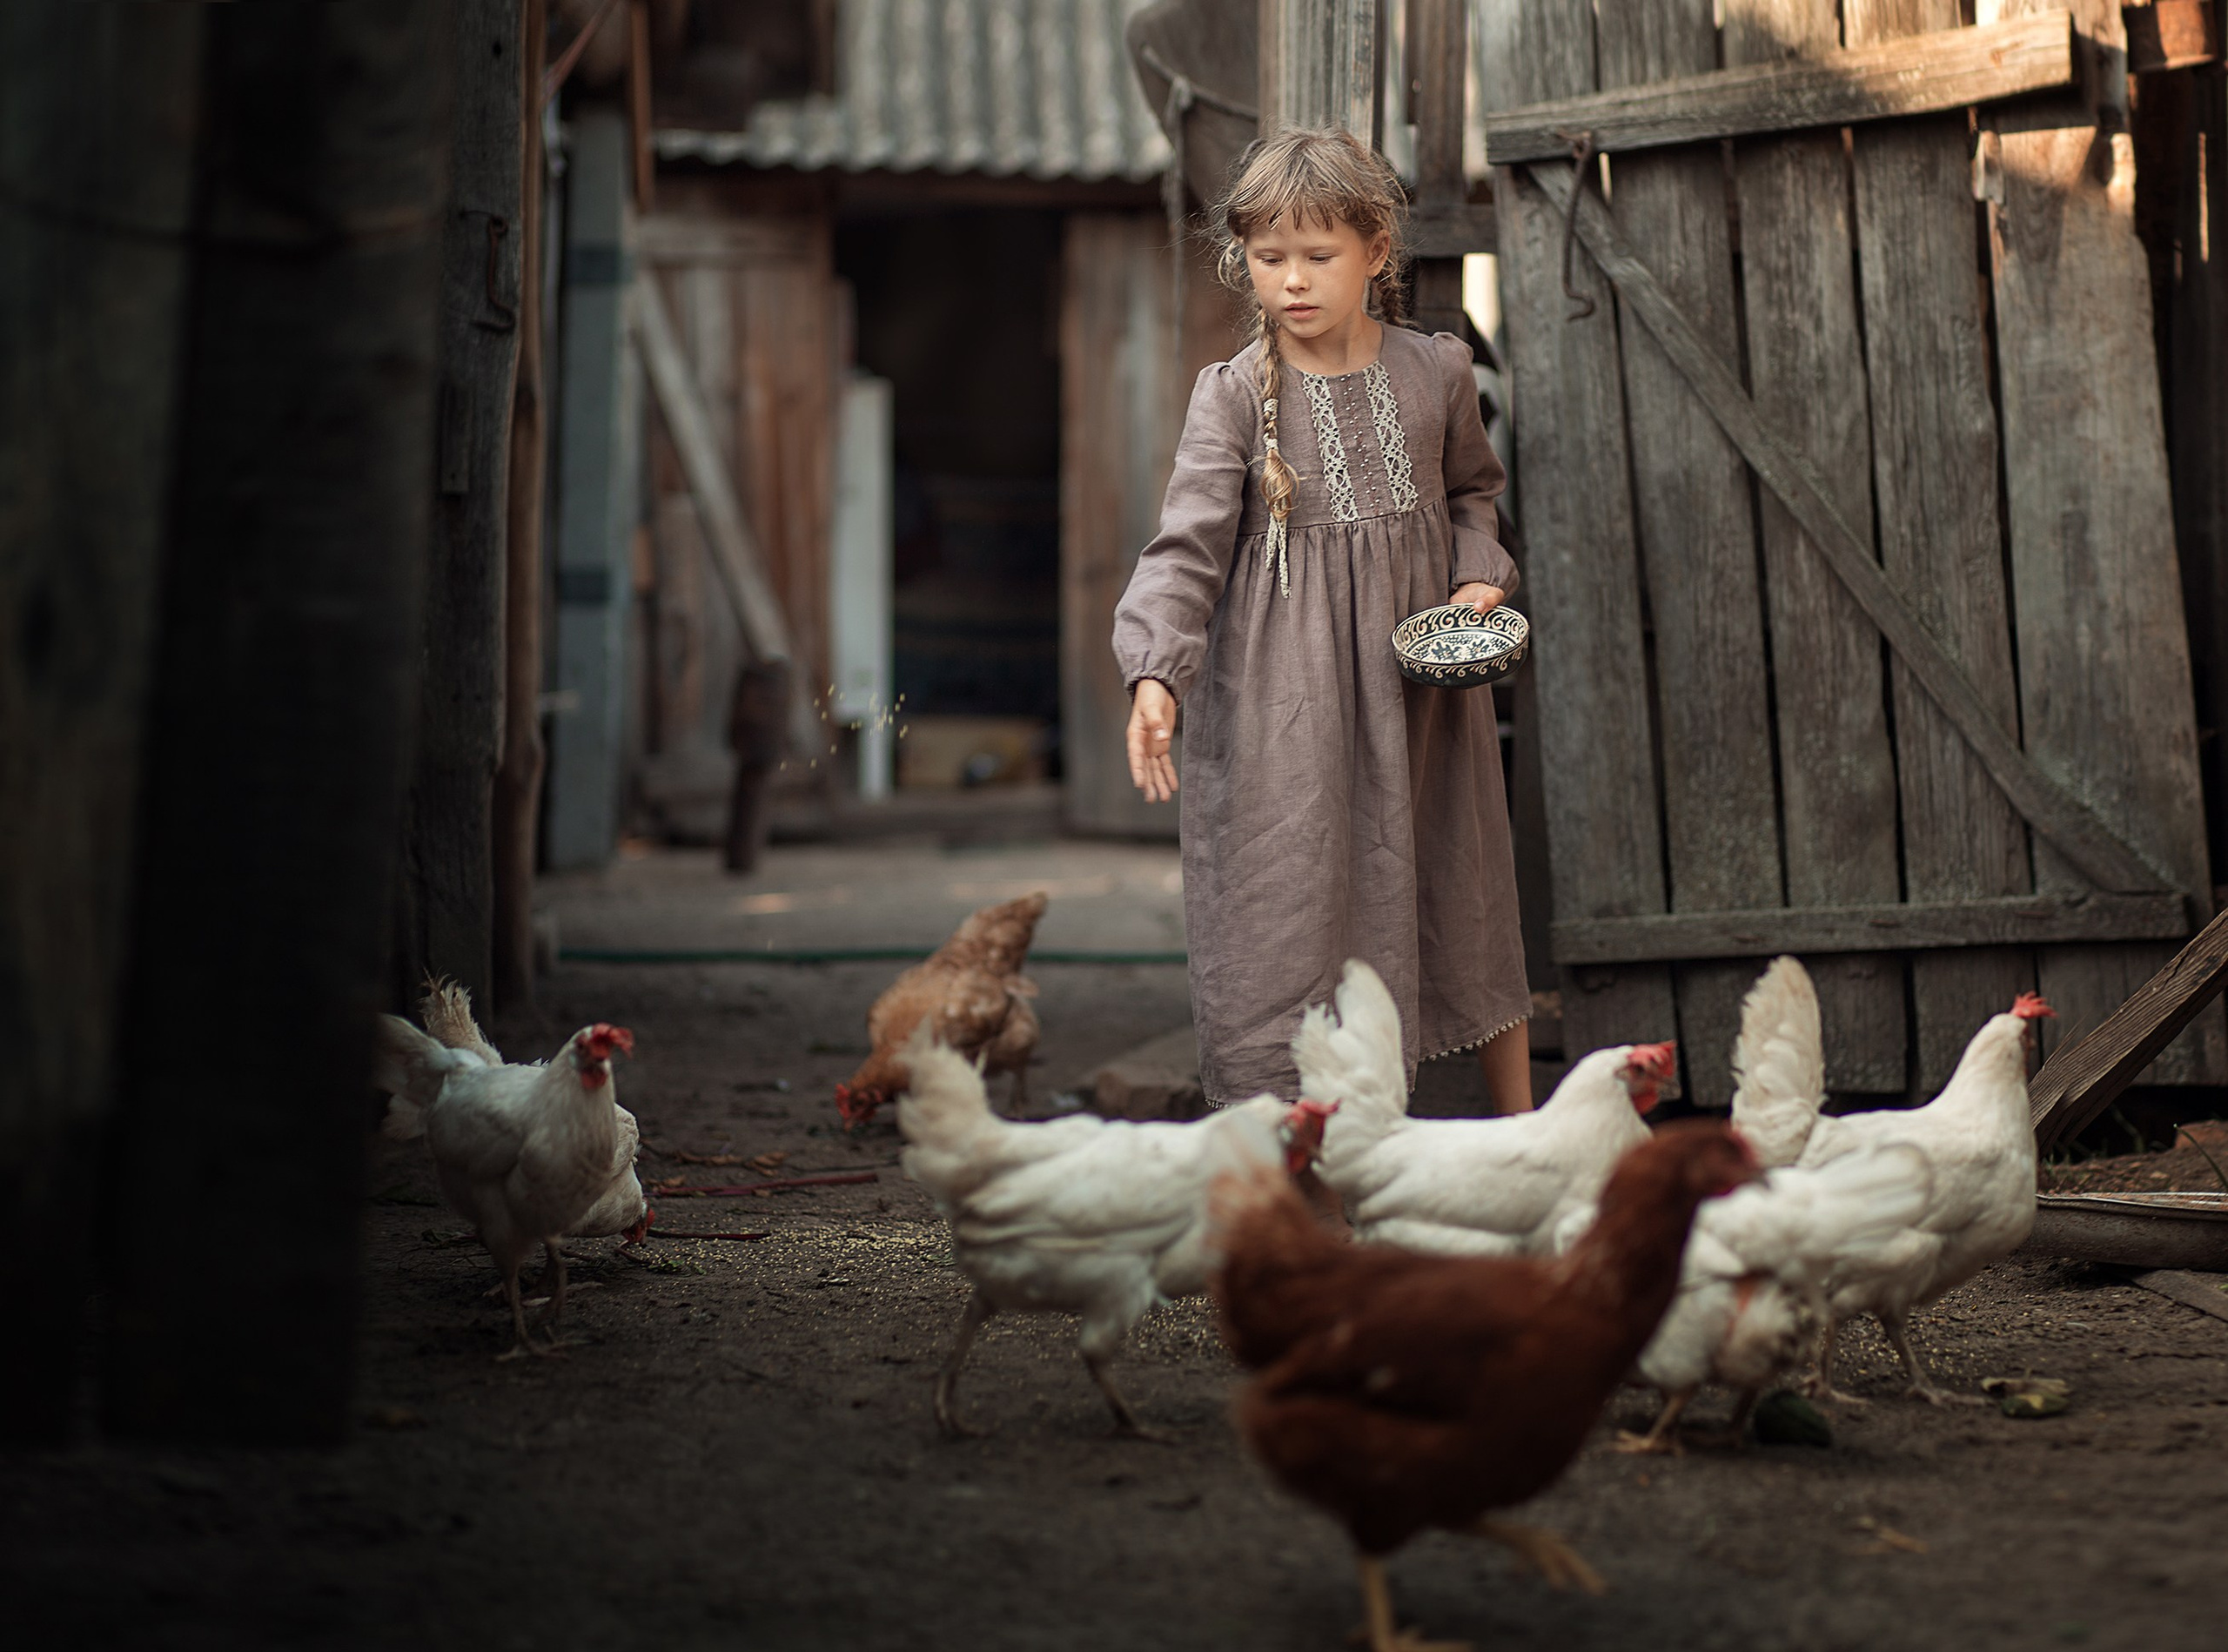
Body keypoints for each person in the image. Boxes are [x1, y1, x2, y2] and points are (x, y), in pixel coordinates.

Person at [1112, 126, 1531, 1113]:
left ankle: (1526, 1136)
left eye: (1318, 255)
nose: (1291, 281)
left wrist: (1477, 581)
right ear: (1243, 261)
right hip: (1279, 705)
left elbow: (1475, 492)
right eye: (1268, 259)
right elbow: (1185, 549)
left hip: (1419, 699)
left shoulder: (1437, 373)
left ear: (1376, 251)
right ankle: (1282, 1153)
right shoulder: (1227, 400)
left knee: (1456, 883)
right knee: (1283, 902)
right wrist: (1154, 673)